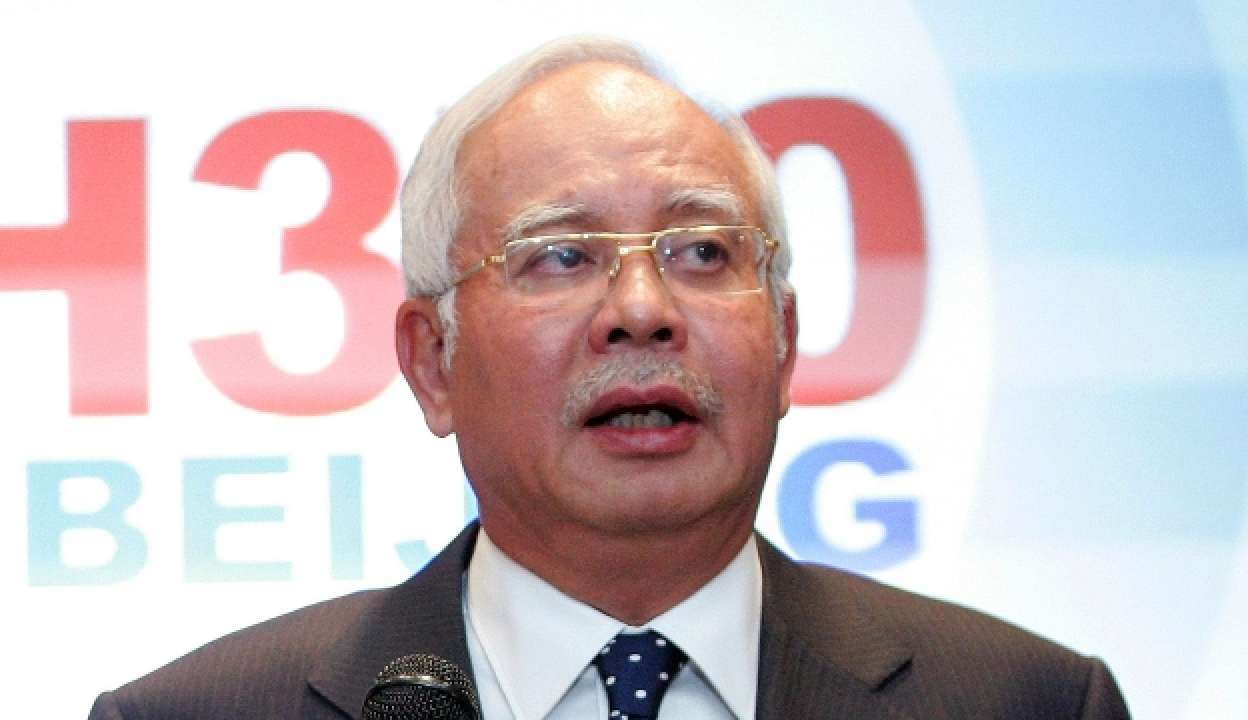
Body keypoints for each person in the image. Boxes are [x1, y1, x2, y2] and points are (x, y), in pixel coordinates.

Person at [89, 36, 1131, 719]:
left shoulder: (1027, 704)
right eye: (560, 256)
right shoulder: (199, 716)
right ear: (433, 362)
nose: (641, 308)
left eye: (702, 252)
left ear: (783, 343)